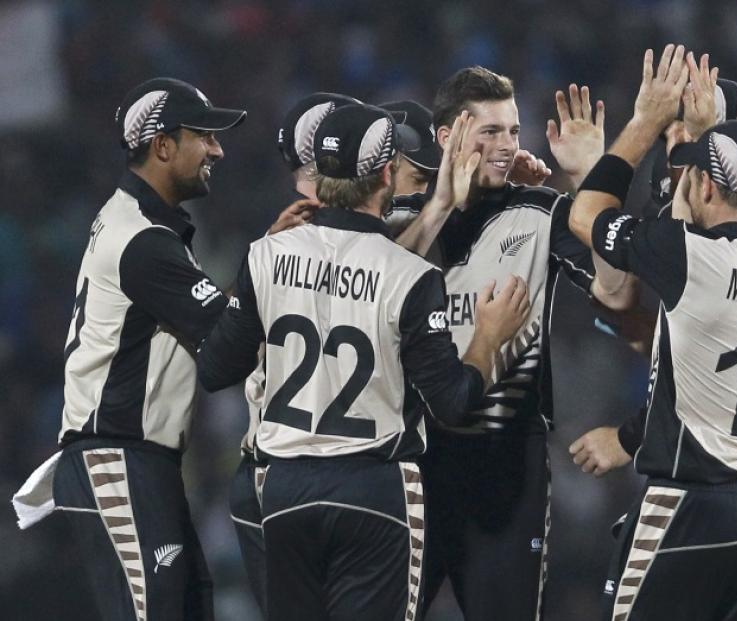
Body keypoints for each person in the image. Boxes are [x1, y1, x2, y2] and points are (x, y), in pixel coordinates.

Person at [196, 102, 531, 621]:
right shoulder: (412, 276)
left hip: (283, 489)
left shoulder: (265, 253)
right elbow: (453, 403)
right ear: (384, 173)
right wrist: (487, 339)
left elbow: (215, 370)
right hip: (372, 488)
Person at [567, 45, 737, 620]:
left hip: (687, 506)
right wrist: (708, 143)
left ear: (705, 187)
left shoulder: (690, 259)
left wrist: (644, 125)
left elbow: (586, 216)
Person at [388, 67, 633, 620]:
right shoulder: (402, 218)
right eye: (489, 132)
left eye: (513, 132)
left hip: (507, 467)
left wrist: (587, 179)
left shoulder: (539, 212)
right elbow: (373, 288)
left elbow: (617, 295)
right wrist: (439, 207)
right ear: (447, 136)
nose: (505, 147)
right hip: (412, 462)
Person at [49, 77, 244, 621]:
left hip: (134, 460)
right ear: (162, 146)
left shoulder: (137, 224)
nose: (217, 150)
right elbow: (226, 348)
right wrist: (281, 271)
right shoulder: (143, 241)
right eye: (204, 136)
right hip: (118, 458)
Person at [228, 91, 360, 613]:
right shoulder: (293, 240)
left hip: (301, 471)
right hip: (291, 467)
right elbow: (224, 356)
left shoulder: (273, 244)